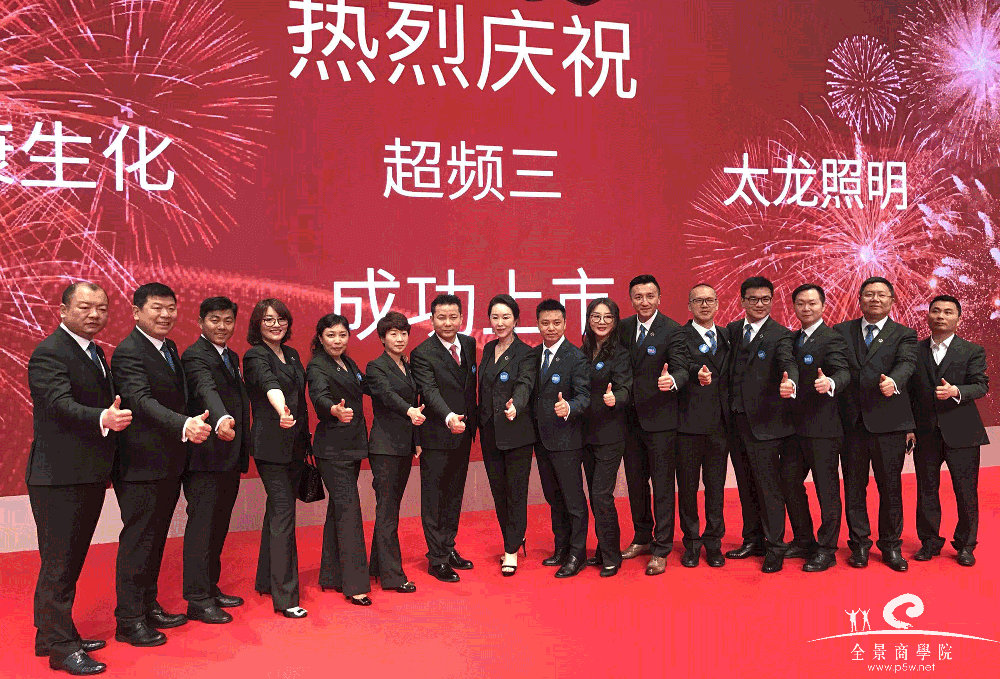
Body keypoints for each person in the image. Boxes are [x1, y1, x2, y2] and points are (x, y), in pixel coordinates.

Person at [27, 282, 131, 675]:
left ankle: (50, 635)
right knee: (59, 565)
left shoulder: (94, 352)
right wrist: (103, 417)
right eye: (85, 307)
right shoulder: (50, 352)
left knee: (67, 562)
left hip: (85, 473)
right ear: (63, 310)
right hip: (58, 476)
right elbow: (58, 404)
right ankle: (61, 648)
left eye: (101, 308)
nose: (94, 314)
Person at [111, 283, 212, 647]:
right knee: (138, 541)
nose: (165, 315)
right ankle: (128, 620)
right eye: (156, 308)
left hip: (168, 462)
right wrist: (184, 424)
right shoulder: (128, 352)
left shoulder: (168, 347)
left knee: (154, 541)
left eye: (171, 308)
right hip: (140, 464)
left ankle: (147, 605)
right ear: (136, 311)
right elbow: (140, 401)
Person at [835, 277, 917, 572]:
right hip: (851, 424)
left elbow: (907, 363)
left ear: (892, 301)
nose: (875, 299)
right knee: (854, 488)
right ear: (859, 299)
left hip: (889, 423)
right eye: (869, 294)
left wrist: (894, 381)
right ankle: (859, 545)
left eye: (882, 295)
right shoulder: (841, 331)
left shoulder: (904, 334)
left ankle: (891, 546)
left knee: (890, 488)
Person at [179, 297, 250, 624]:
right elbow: (206, 389)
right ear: (201, 322)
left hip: (229, 455)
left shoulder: (231, 356)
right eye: (214, 320)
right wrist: (221, 418)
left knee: (218, 526)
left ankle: (210, 587)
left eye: (227, 320)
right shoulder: (195, 355)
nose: (222, 327)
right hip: (205, 456)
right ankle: (197, 599)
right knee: (202, 527)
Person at [908, 295, 990, 567]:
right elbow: (908, 393)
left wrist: (956, 391)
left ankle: (966, 545)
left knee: (966, 492)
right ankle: (929, 542)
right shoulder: (914, 351)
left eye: (948, 312)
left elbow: (981, 385)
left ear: (958, 319)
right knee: (926, 490)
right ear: (928, 316)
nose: (941, 316)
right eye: (936, 311)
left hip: (963, 432)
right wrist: (908, 427)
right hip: (925, 433)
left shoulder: (972, 350)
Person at [724, 276, 798, 573]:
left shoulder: (781, 335)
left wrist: (791, 382)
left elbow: (788, 364)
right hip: (734, 422)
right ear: (742, 300)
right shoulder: (731, 331)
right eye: (753, 299)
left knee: (769, 488)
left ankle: (775, 546)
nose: (759, 304)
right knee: (746, 485)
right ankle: (752, 540)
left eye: (765, 299)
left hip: (765, 425)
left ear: (772, 300)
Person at [617, 274, 690, 576]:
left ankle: (661, 547)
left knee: (662, 486)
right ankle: (642, 537)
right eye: (638, 296)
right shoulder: (622, 328)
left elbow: (682, 368)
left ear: (659, 298)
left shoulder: (673, 330)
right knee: (636, 484)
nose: (644, 302)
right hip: (628, 421)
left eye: (649, 296)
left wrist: (672, 380)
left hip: (660, 421)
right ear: (631, 299)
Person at [244, 299, 311, 618]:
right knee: (284, 513)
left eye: (281, 319)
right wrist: (281, 409)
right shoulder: (255, 355)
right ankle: (286, 597)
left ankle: (267, 580)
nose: (276, 324)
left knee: (277, 512)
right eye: (268, 319)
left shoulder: (293, 354)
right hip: (270, 446)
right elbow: (270, 385)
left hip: (295, 444)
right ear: (257, 324)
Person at [410, 294, 479, 583]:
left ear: (461, 318)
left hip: (464, 433)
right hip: (438, 435)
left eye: (453, 317)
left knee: (454, 495)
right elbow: (429, 391)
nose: (447, 323)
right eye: (441, 317)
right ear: (431, 320)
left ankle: (448, 547)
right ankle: (436, 558)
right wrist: (450, 417)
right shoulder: (422, 353)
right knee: (434, 499)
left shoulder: (469, 344)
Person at [783, 284, 850, 572]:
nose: (806, 308)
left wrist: (831, 382)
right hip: (793, 428)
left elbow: (844, 371)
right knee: (788, 482)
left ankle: (827, 549)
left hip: (824, 428)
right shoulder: (791, 338)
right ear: (794, 307)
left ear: (823, 306)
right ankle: (803, 539)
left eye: (812, 303)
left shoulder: (832, 338)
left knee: (826, 489)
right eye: (801, 303)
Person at [306, 314, 372, 606]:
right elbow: (319, 396)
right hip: (332, 451)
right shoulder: (317, 366)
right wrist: (333, 409)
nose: (337, 341)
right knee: (349, 512)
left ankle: (332, 574)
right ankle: (355, 584)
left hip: (352, 446)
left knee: (339, 510)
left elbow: (366, 386)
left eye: (342, 335)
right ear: (320, 338)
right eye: (331, 335)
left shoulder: (348, 362)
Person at [531, 299, 591, 579]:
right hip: (541, 440)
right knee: (554, 498)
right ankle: (561, 547)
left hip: (567, 440)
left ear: (566, 323)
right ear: (538, 324)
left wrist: (569, 407)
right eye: (545, 323)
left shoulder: (576, 357)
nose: (551, 328)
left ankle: (578, 553)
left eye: (556, 322)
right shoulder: (533, 356)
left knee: (573, 500)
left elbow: (584, 396)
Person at [478, 295, 537, 577]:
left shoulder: (526, 353)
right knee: (499, 492)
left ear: (516, 320)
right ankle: (513, 537)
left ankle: (511, 549)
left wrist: (517, 404)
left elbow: (525, 384)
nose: (500, 323)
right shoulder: (488, 348)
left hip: (516, 432)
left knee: (515, 492)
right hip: (490, 432)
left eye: (506, 317)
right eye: (495, 317)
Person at [366, 311, 424, 592]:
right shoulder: (375, 367)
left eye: (403, 333)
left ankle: (377, 567)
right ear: (382, 338)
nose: (400, 339)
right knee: (387, 510)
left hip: (403, 446)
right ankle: (393, 576)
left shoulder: (406, 365)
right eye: (393, 334)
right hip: (384, 448)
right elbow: (387, 395)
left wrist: (416, 440)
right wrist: (409, 410)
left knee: (390, 508)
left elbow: (415, 399)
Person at [676, 284, 730, 568]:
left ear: (718, 304)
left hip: (720, 426)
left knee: (716, 487)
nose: (705, 305)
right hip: (687, 424)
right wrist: (697, 372)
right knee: (687, 488)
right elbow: (680, 365)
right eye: (698, 301)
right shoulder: (678, 336)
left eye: (710, 300)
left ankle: (714, 543)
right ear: (689, 306)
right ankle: (692, 543)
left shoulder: (726, 335)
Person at [580, 297, 632, 577]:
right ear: (588, 320)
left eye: (607, 317)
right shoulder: (583, 350)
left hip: (611, 434)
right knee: (594, 494)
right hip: (585, 434)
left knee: (602, 495)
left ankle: (612, 554)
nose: (601, 322)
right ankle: (602, 549)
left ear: (615, 321)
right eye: (596, 316)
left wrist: (616, 398)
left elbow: (625, 388)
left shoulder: (620, 353)